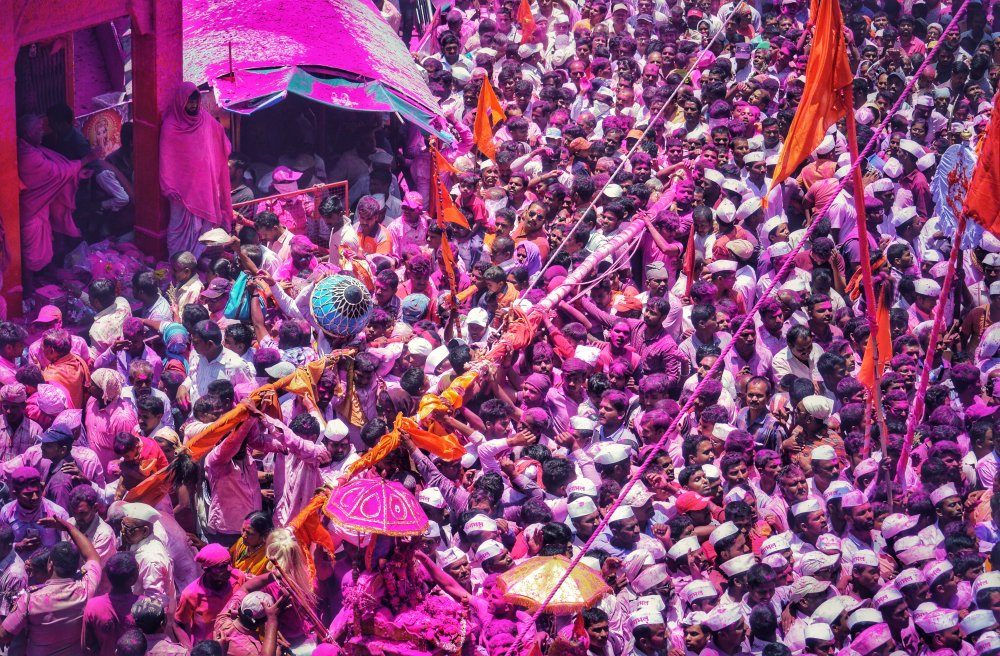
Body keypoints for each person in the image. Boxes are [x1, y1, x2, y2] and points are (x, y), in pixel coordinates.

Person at [0, 511, 102, 655]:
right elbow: (92, 555)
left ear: (50, 564)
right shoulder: (87, 587)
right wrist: (68, 527)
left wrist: (67, 526)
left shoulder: (29, 600)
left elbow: (4, 635)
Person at [159, 82, 233, 254]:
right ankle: (178, 261)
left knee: (203, 227)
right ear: (181, 101)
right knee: (177, 227)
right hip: (180, 190)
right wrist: (168, 187)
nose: (193, 105)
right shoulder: (170, 126)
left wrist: (224, 147)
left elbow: (220, 134)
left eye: (195, 101)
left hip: (203, 186)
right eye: (189, 102)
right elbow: (165, 158)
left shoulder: (205, 119)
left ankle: (196, 260)